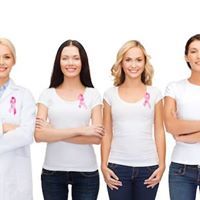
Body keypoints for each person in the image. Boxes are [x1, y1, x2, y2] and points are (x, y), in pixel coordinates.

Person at [35, 39, 104, 200]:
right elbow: (39, 135)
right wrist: (81, 130)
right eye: (65, 58)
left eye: (75, 58)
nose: (70, 63)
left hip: (86, 173)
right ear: (58, 62)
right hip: (52, 172)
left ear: (83, 62)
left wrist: (53, 132)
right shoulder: (47, 94)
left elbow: (96, 137)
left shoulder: (93, 94)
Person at [101, 40, 166, 200]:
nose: (133, 65)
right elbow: (107, 133)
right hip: (117, 167)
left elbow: (159, 131)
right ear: (121, 63)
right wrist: (103, 165)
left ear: (145, 63)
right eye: (128, 59)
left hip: (148, 167)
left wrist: (162, 165)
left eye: (138, 60)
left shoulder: (155, 93)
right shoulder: (110, 94)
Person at [164, 34, 200, 200]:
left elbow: (178, 130)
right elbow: (171, 126)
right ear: (186, 56)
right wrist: (178, 128)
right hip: (181, 170)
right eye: (194, 51)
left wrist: (186, 134)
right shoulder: (174, 88)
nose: (198, 56)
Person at [0, 38, 35, 200]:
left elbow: (27, 133)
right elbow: (20, 132)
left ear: (14, 60)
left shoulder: (24, 95)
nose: (2, 62)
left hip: (14, 178)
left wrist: (18, 130)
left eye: (7, 57)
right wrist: (4, 128)